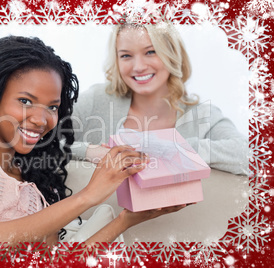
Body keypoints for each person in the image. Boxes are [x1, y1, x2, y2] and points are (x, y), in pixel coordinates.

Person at [0, 36, 186, 245]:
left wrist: (128, 220)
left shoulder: (30, 181)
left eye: (51, 106)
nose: (41, 118)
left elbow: (55, 263)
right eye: (25, 100)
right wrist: (89, 194)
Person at [72, 22, 248, 175]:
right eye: (126, 55)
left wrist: (171, 149)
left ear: (171, 54)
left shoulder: (203, 115)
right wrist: (90, 151)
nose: (139, 66)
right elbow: (47, 143)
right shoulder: (97, 99)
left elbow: (252, 155)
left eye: (150, 52)